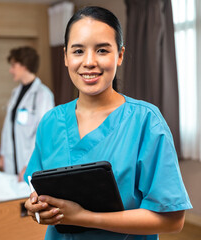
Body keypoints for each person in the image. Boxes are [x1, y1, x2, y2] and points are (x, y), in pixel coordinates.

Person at [24, 6, 192, 240]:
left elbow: (172, 219)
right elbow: (36, 185)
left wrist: (83, 216)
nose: (89, 62)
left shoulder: (145, 122)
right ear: (65, 57)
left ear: (120, 55)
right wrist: (35, 208)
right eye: (78, 51)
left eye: (102, 50)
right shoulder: (51, 122)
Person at [0, 46, 54, 181]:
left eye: (13, 65)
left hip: (29, 163)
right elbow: (8, 129)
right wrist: (3, 156)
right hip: (12, 162)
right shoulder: (15, 93)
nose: (11, 70)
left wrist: (31, 164)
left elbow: (44, 133)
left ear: (24, 65)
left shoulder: (43, 95)